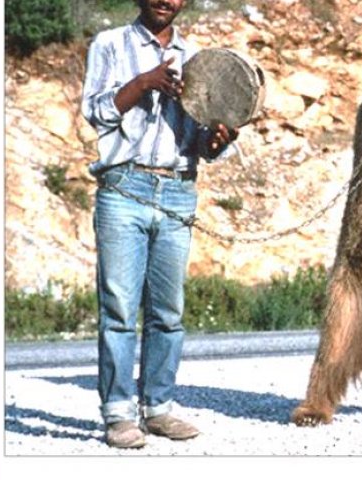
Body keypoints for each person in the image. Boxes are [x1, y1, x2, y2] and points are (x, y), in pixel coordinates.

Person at [81, 0, 235, 448]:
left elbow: (203, 144)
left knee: (168, 313)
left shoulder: (199, 60)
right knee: (120, 309)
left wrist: (218, 138)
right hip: (123, 189)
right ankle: (117, 414)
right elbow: (96, 111)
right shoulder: (109, 44)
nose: (167, 0)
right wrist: (145, 82)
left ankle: (159, 408)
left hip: (177, 190)